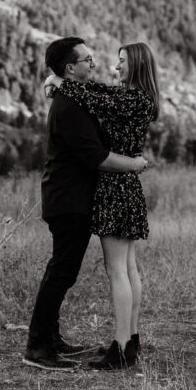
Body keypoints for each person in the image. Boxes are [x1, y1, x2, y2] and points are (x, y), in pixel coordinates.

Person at [24, 37, 149, 372]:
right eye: (88, 59)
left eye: (120, 60)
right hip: (71, 198)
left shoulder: (105, 98)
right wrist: (135, 164)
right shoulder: (73, 102)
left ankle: (116, 345)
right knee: (68, 272)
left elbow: (98, 93)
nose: (101, 64)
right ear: (71, 67)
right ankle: (41, 345)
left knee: (102, 270)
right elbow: (96, 154)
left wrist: (58, 83)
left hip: (99, 193)